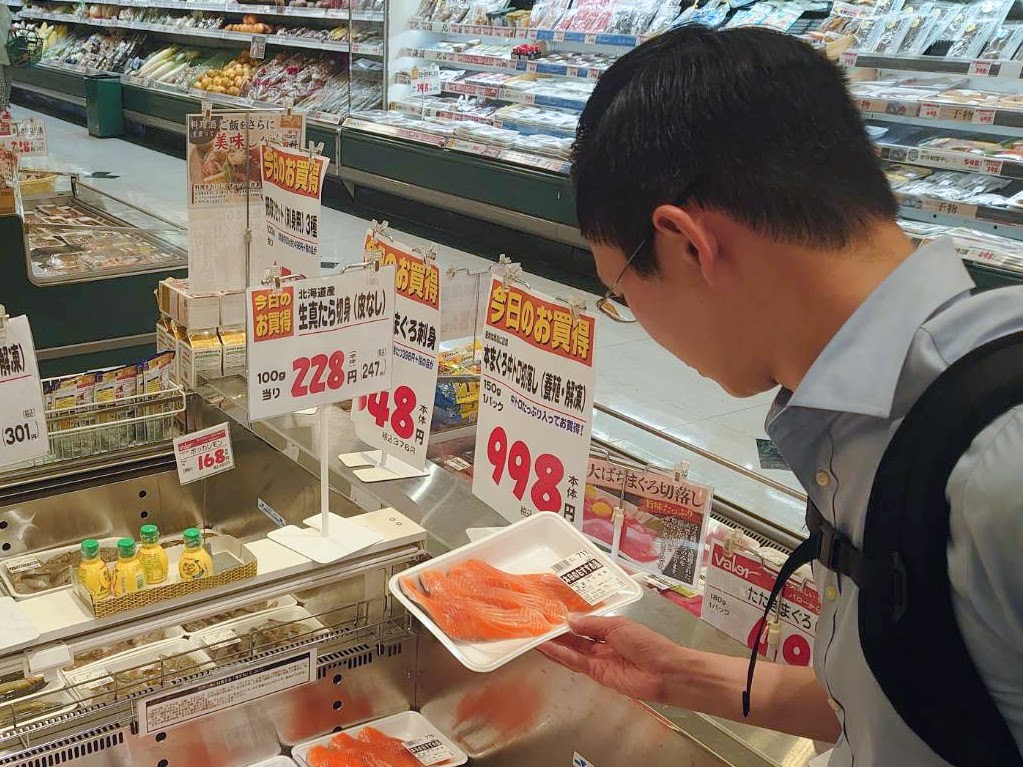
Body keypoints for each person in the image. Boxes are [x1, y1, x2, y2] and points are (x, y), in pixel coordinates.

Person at [538, 24, 1023, 767]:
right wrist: (679, 674)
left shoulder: (999, 470)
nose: (632, 317)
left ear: (687, 244)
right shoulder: (869, 413)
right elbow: (924, 696)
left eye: (621, 292)